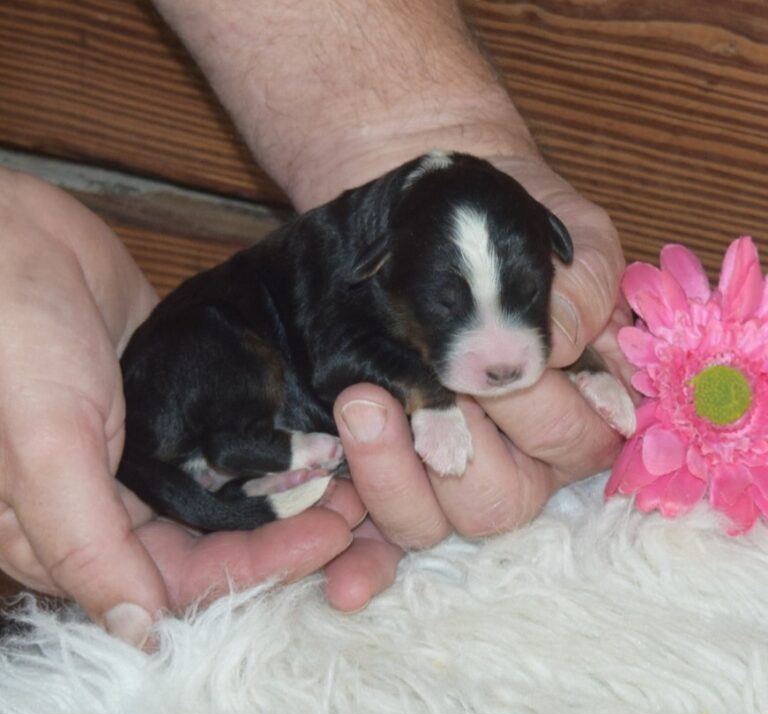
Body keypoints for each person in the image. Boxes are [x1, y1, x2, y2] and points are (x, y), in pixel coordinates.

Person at [0, 0, 631, 648]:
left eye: (528, 298)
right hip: (192, 364)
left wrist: (579, 360)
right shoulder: (353, 272)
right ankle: (244, 456)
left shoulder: (399, 238)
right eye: (448, 305)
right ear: (383, 263)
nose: (502, 351)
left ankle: (251, 465)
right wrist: (431, 398)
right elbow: (337, 358)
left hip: (214, 407)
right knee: (254, 367)